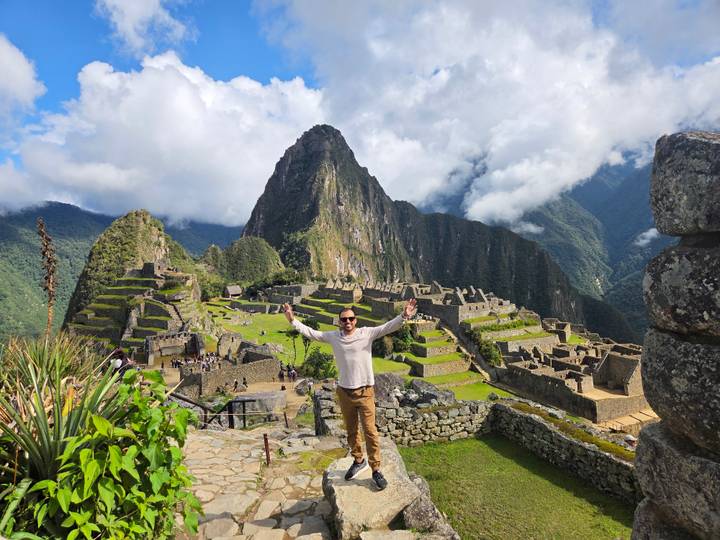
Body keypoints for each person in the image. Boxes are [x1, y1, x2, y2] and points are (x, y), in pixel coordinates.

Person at [283, 298, 417, 491]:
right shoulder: (333, 336)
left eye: (351, 319)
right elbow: (312, 333)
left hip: (365, 391)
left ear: (356, 320)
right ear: (339, 322)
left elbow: (388, 327)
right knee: (351, 430)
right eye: (344, 320)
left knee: (370, 431)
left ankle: (376, 469)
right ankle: (358, 460)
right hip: (344, 392)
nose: (347, 322)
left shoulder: (366, 334)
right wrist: (292, 320)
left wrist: (404, 316)